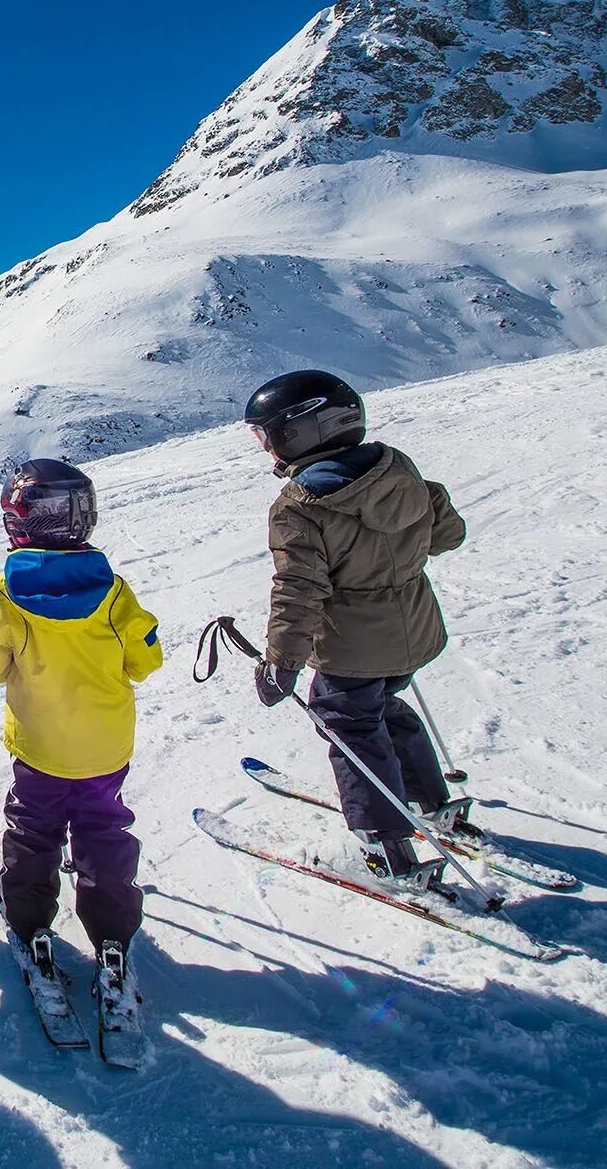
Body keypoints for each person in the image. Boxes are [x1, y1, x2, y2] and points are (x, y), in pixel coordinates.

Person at [241, 369, 470, 886]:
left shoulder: (302, 506)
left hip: (353, 644)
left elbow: (299, 591)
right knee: (382, 706)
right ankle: (427, 798)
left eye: (266, 435)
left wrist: (283, 661)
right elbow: (447, 535)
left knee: (349, 725)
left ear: (300, 432)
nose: (265, 449)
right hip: (414, 627)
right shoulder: (398, 468)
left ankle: (383, 846)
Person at [0, 459, 162, 999]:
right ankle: (113, 936)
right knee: (102, 830)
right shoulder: (114, 591)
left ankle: (29, 920)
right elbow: (147, 659)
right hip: (104, 748)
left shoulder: (5, 593)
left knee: (34, 829)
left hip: (40, 747)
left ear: (19, 523)